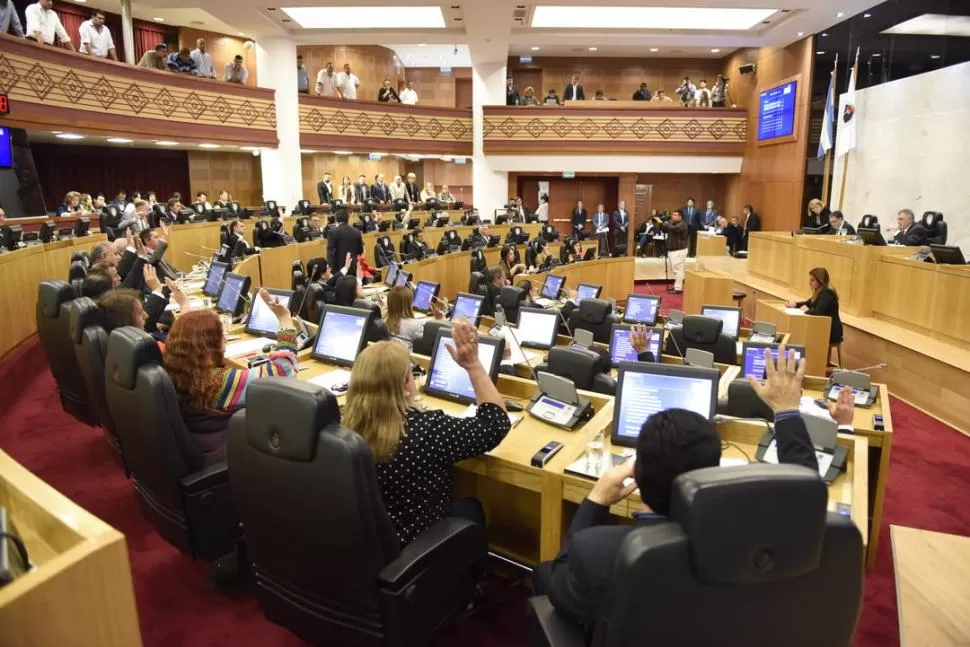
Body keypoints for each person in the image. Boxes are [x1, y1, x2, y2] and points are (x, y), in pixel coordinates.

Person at [533, 346, 848, 634]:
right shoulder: (756, 544)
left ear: (636, 475)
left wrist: (596, 501)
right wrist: (786, 411)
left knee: (542, 573)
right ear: (711, 475)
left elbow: (558, 584)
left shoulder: (596, 552)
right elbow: (805, 496)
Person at [343, 322, 510, 544]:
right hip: (412, 546)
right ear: (406, 386)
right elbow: (496, 423)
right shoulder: (429, 431)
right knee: (471, 508)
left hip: (364, 545)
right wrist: (473, 366)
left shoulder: (342, 424)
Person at [164, 292, 298, 464]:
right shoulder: (219, 383)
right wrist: (285, 319)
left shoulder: (176, 368)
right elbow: (284, 371)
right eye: (221, 335)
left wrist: (185, 308)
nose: (225, 340)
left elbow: (188, 336)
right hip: (224, 457)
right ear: (209, 345)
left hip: (202, 443)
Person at [788, 267, 843, 345]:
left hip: (831, 331)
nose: (809, 282)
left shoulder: (827, 294)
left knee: (804, 333)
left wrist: (805, 310)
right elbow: (808, 303)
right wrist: (794, 304)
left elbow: (818, 312)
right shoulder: (820, 291)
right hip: (823, 328)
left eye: (812, 280)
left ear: (820, 281)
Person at [384, 285, 444, 350]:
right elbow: (430, 339)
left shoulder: (386, 320)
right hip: (410, 358)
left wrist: (433, 320)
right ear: (409, 304)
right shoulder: (413, 325)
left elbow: (410, 323)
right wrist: (440, 320)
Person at [327, 209, 363, 276]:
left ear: (336, 219)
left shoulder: (332, 232)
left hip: (339, 270)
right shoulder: (357, 231)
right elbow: (360, 251)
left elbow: (331, 252)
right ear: (348, 219)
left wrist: (330, 268)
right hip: (353, 267)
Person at [664, 209, 688, 293]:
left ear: (680, 217)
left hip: (679, 250)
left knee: (678, 270)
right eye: (672, 215)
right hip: (672, 250)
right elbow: (665, 228)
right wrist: (661, 223)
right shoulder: (671, 223)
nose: (672, 216)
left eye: (675, 215)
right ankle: (677, 286)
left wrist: (665, 223)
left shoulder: (683, 224)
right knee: (675, 270)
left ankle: (678, 288)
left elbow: (674, 228)